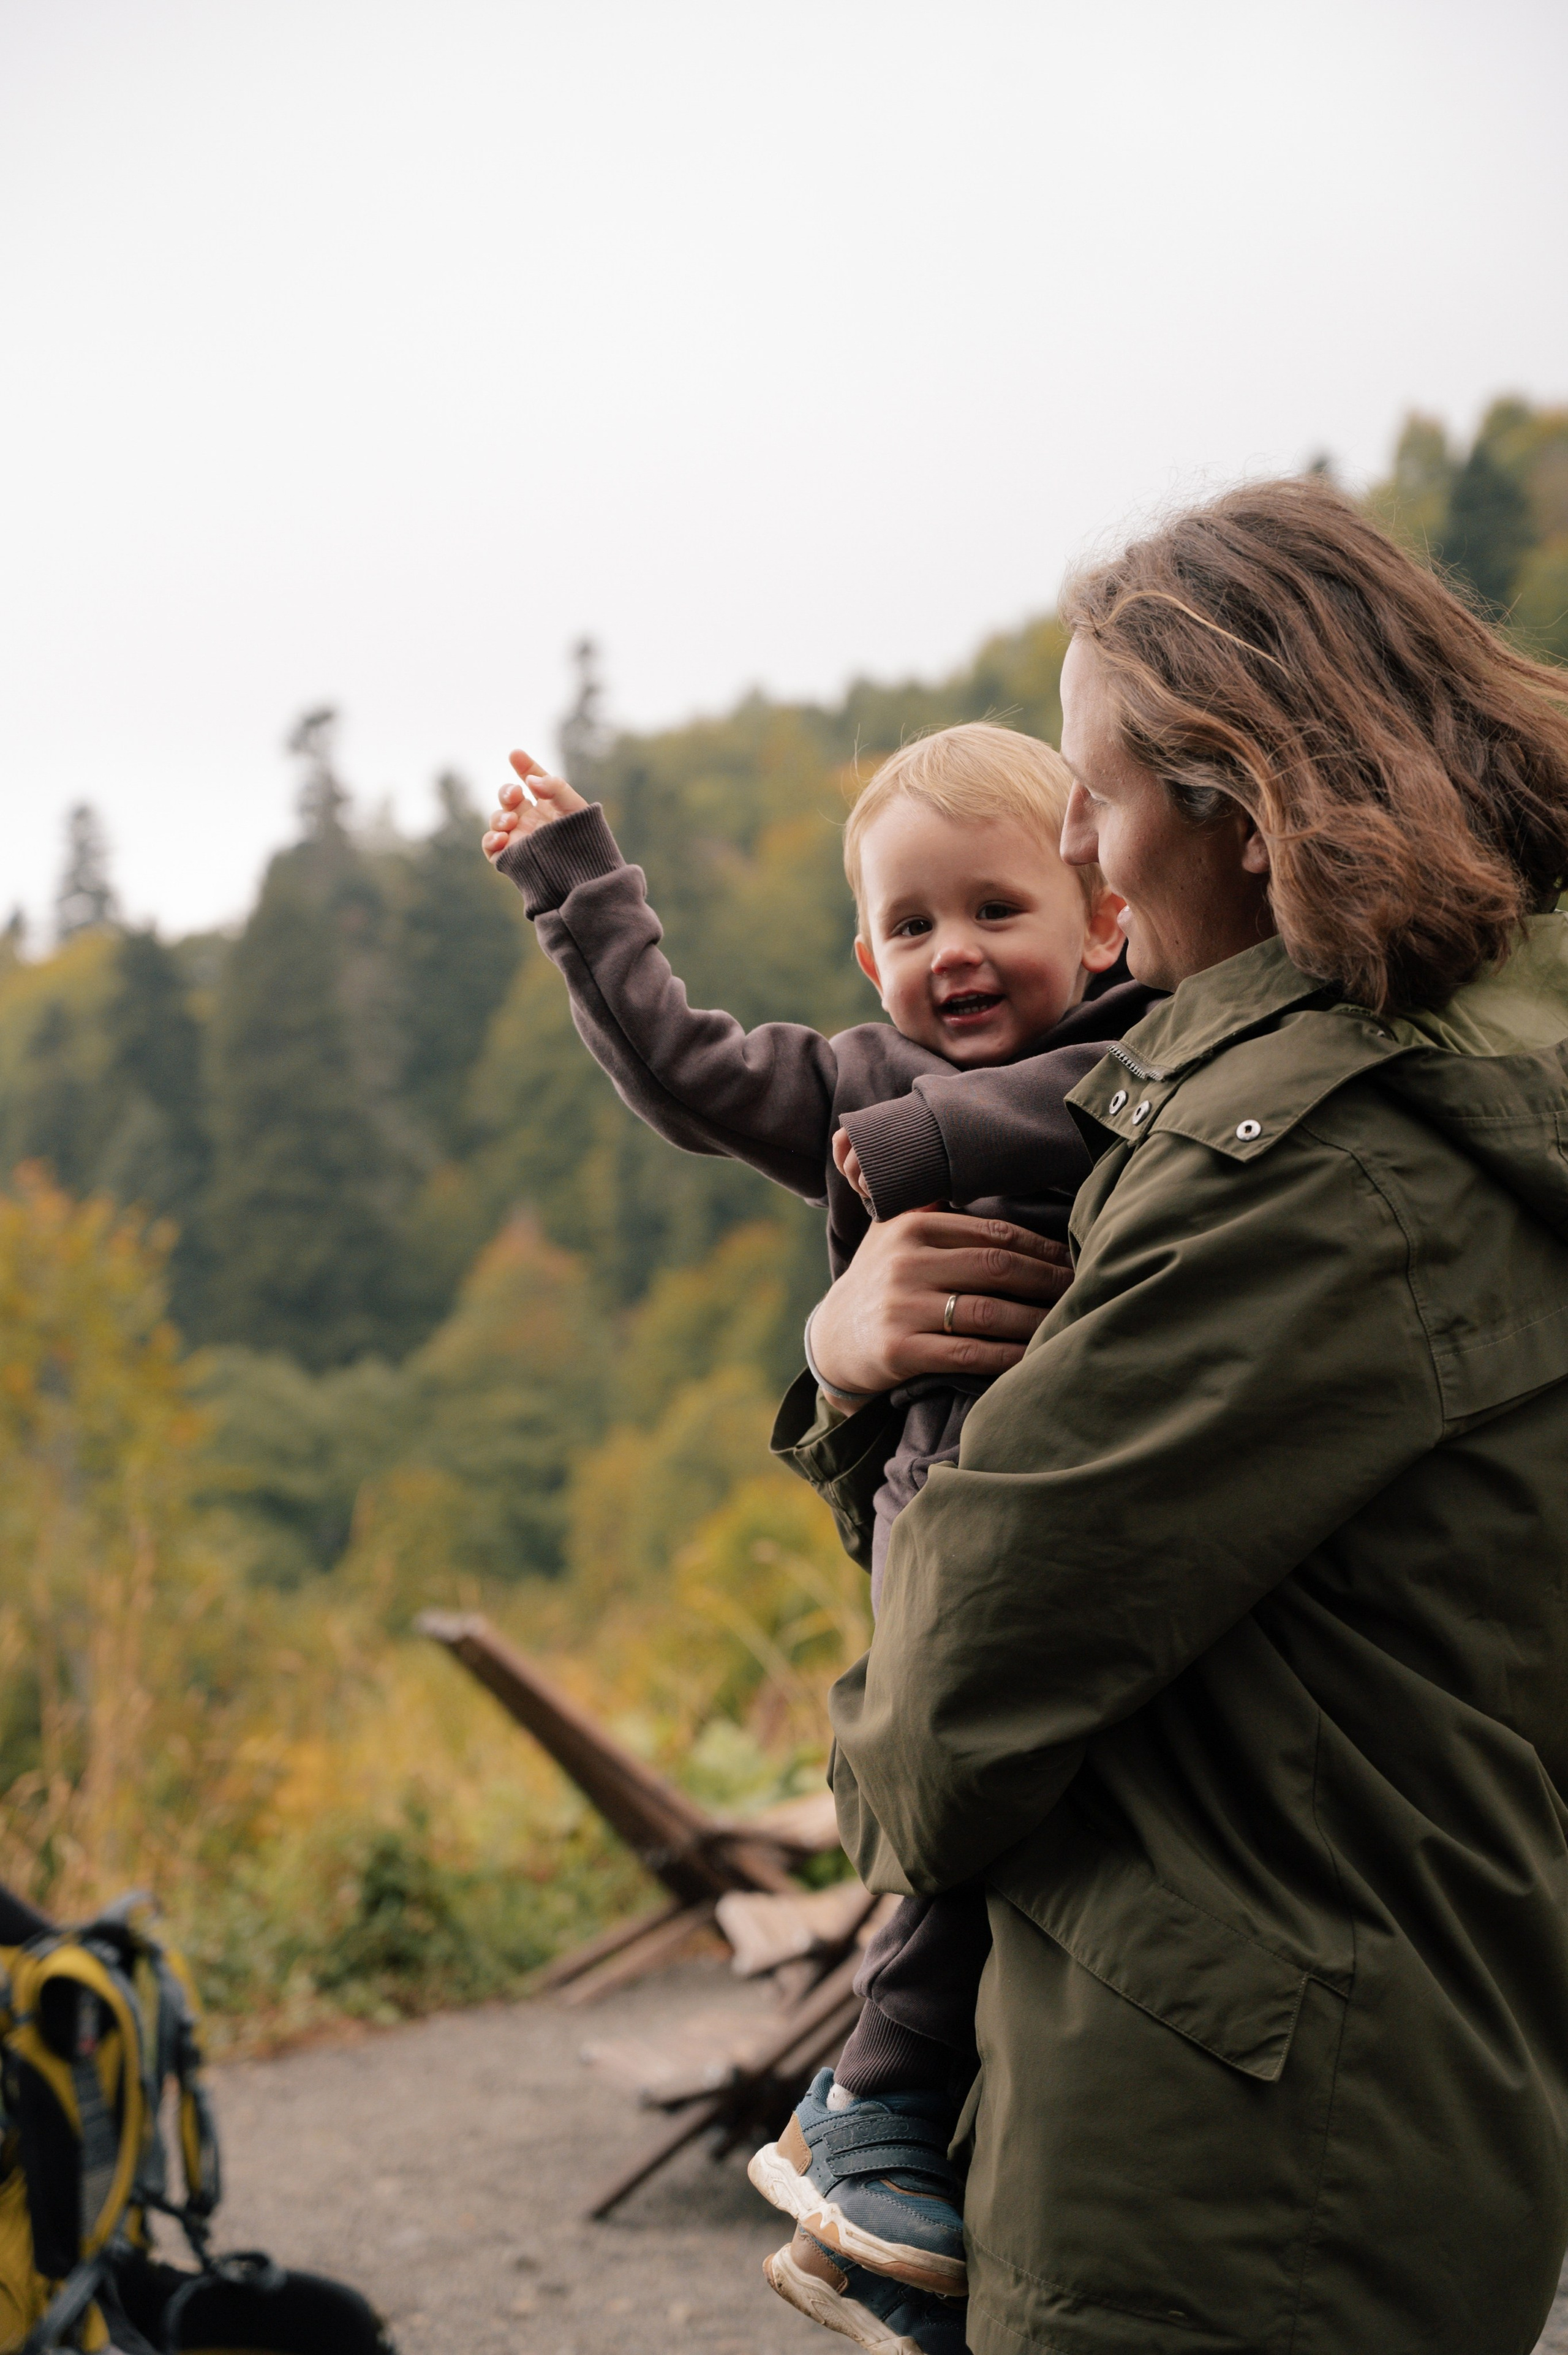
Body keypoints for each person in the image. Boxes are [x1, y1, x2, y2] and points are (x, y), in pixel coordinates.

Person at [778, 475, 1568, 2355]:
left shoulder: (1304, 1165)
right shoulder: (1459, 1078)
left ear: (1242, 793)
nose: (1072, 840)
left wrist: (862, 1429)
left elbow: (951, 1697)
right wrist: (858, 1371)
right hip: (1361, 2072)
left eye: (1094, 784)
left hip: (1224, 2144)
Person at [480, 725, 1159, 2348]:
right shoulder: (864, 1079)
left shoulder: (1156, 1055)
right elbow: (684, 1066)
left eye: (997, 908)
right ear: (867, 957)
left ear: (1106, 919)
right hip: (942, 1530)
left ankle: (913, 2212)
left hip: (1100, 1521)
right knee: (972, 1843)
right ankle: (869, 2110)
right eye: (912, 927)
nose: (955, 955)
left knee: (1049, 1880)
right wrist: (577, 885)